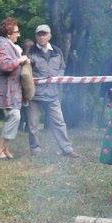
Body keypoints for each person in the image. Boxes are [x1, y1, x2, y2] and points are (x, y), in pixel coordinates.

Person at [26, 24, 78, 157]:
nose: (42, 36)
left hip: (53, 95)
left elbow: (62, 68)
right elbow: (25, 73)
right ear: (36, 36)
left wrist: (58, 78)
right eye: (39, 34)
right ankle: (35, 150)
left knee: (59, 123)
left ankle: (67, 149)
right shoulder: (30, 52)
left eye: (45, 34)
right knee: (33, 124)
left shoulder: (57, 51)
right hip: (35, 95)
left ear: (50, 36)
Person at [0, 17, 29, 159]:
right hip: (7, 89)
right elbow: (5, 65)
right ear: (8, 34)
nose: (18, 34)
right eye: (16, 32)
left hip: (14, 89)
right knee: (15, 116)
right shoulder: (3, 46)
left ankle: (5, 148)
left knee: (13, 117)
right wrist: (20, 60)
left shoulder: (10, 46)